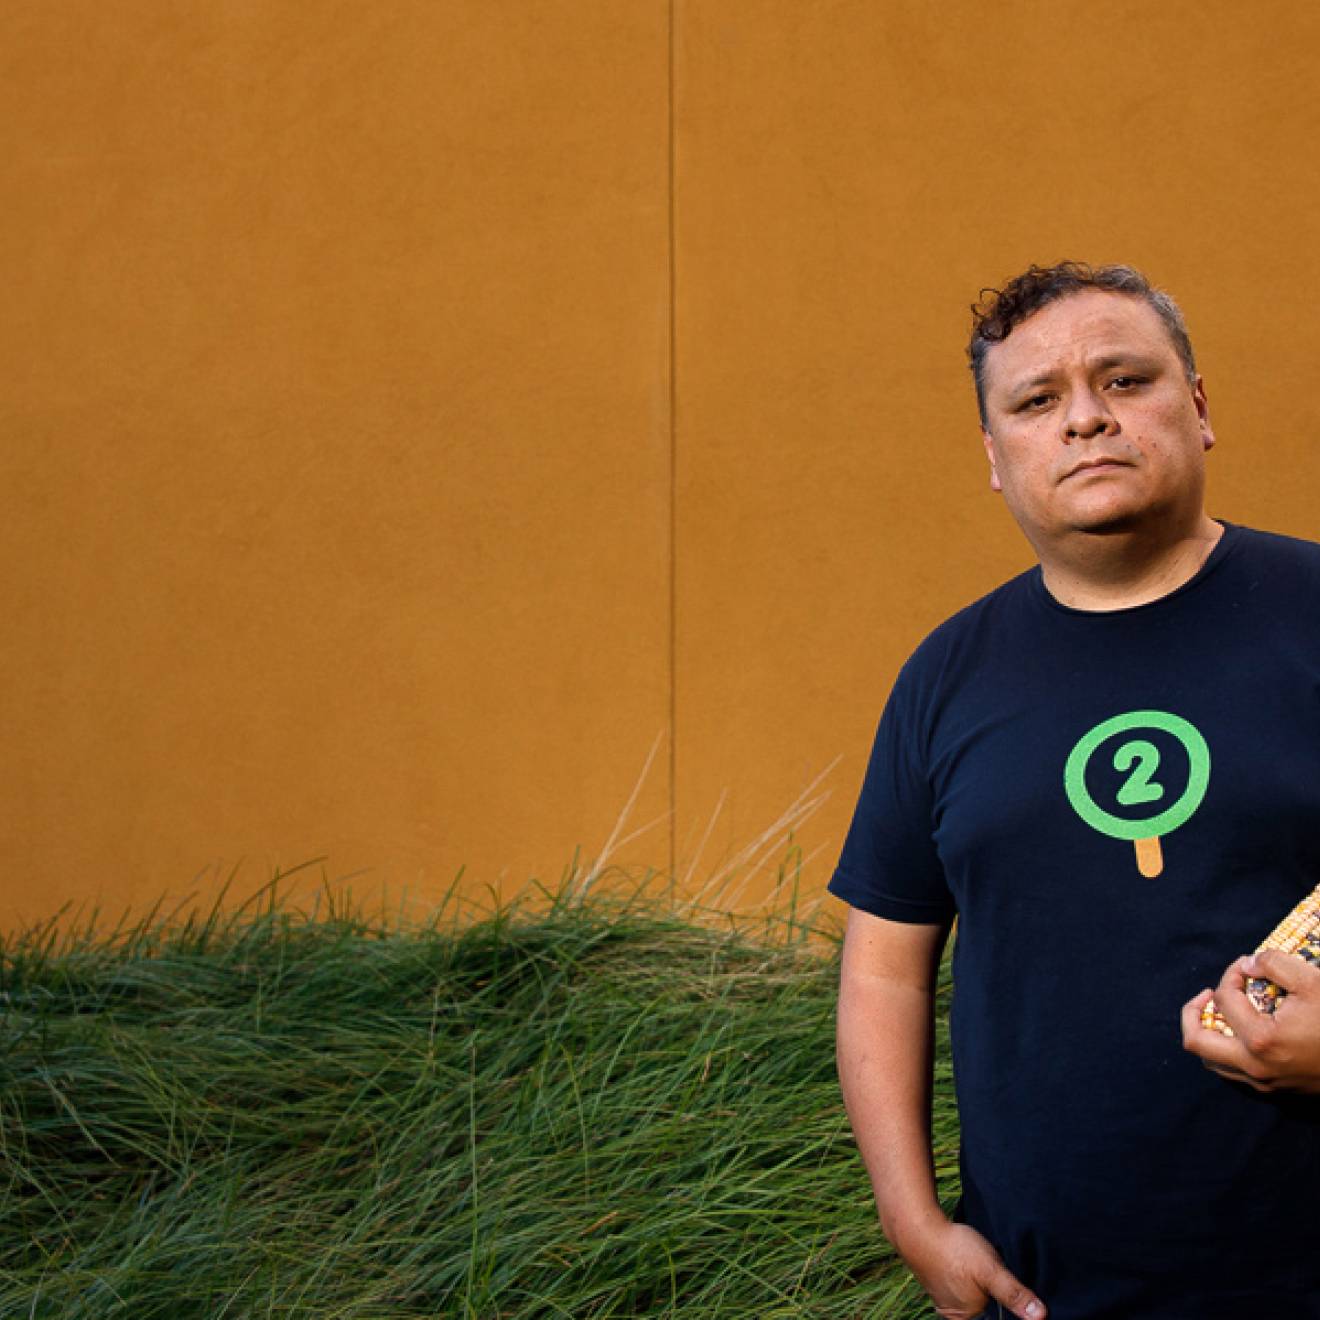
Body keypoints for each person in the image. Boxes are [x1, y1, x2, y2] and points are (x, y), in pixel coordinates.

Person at [830, 262, 1320, 1320]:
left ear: (1197, 408)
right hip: (1046, 1290)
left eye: (1125, 381)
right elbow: (885, 970)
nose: (1086, 420)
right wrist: (912, 1220)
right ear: (996, 460)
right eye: (1038, 401)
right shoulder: (946, 677)